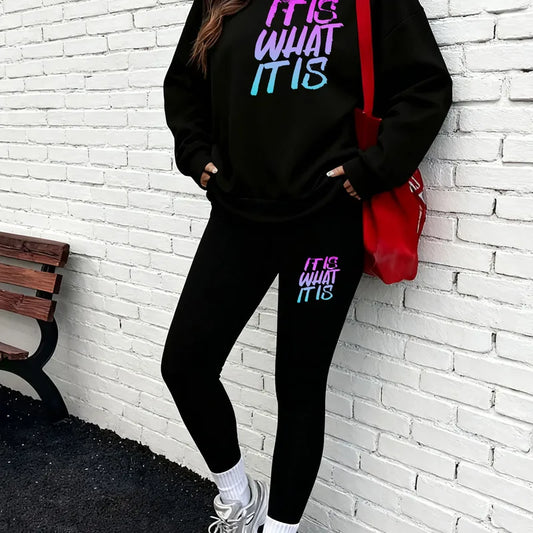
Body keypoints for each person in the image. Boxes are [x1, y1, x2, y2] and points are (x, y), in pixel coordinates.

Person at [160, 0, 453, 531]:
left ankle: (280, 528)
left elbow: (425, 87)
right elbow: (184, 85)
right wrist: (196, 154)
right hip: (238, 217)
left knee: (298, 387)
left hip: (325, 224)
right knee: (185, 364)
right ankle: (240, 499)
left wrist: (372, 168)